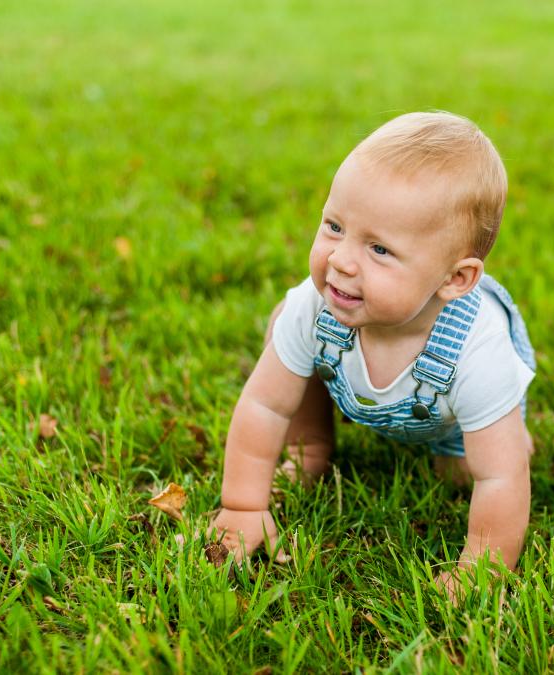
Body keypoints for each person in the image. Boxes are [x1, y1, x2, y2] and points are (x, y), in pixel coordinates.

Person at [211, 112, 536, 594]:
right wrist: (242, 505)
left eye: (380, 250)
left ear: (455, 279)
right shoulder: (316, 305)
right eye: (335, 226)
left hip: (448, 414)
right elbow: (265, 404)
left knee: (471, 470)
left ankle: (497, 437)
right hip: (342, 372)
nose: (341, 260)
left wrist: (482, 568)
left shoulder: (478, 351)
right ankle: (311, 447)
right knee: (289, 327)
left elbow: (501, 479)